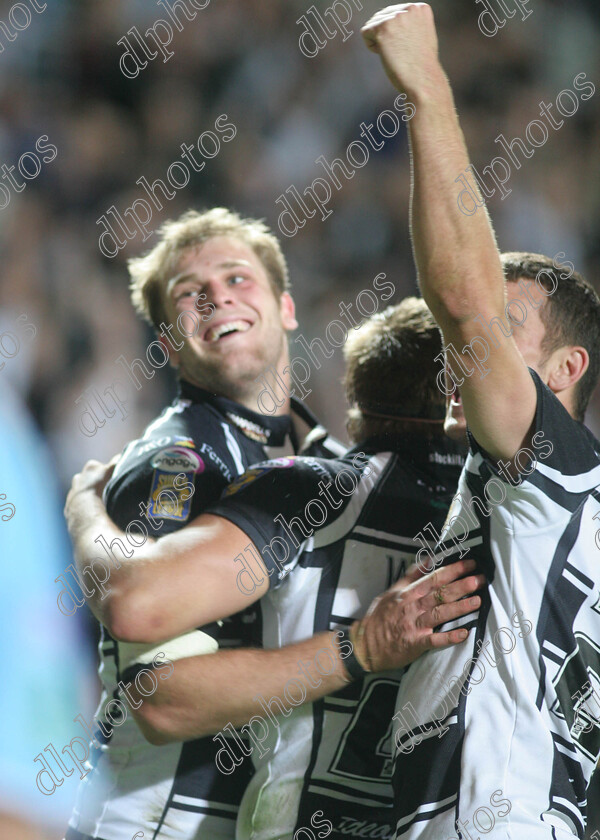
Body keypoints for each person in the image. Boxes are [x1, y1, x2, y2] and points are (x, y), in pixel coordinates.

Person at [66, 297, 484, 840]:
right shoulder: (515, 522)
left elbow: (154, 673)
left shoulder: (303, 489)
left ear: (356, 409)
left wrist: (83, 511)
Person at [361, 5, 600, 839]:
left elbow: (462, 305)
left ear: (567, 370)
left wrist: (425, 85)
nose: (476, 351)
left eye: (512, 329)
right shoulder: (557, 506)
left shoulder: (559, 470)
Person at [64, 206, 346, 840]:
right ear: (167, 344)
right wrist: (358, 654)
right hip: (161, 820)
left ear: (287, 307)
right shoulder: (178, 463)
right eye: (191, 294)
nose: (218, 296)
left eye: (237, 279)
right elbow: (160, 700)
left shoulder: (330, 464)